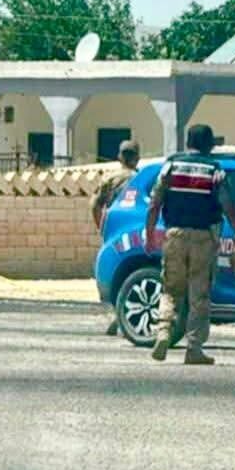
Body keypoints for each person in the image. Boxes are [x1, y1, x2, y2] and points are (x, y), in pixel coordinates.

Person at [144, 123, 235, 365]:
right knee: (199, 295)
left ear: (188, 142)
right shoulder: (214, 170)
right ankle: (193, 348)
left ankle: (163, 333)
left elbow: (154, 203)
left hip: (174, 235)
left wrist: (150, 233)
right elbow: (228, 206)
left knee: (171, 290)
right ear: (208, 144)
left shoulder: (171, 166)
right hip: (203, 238)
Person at [92, 139, 141, 335]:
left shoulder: (109, 179)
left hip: (113, 231)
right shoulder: (138, 179)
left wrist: (101, 228)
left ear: (119, 157)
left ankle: (119, 316)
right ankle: (123, 317)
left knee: (114, 272)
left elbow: (94, 205)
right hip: (136, 233)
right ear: (137, 158)